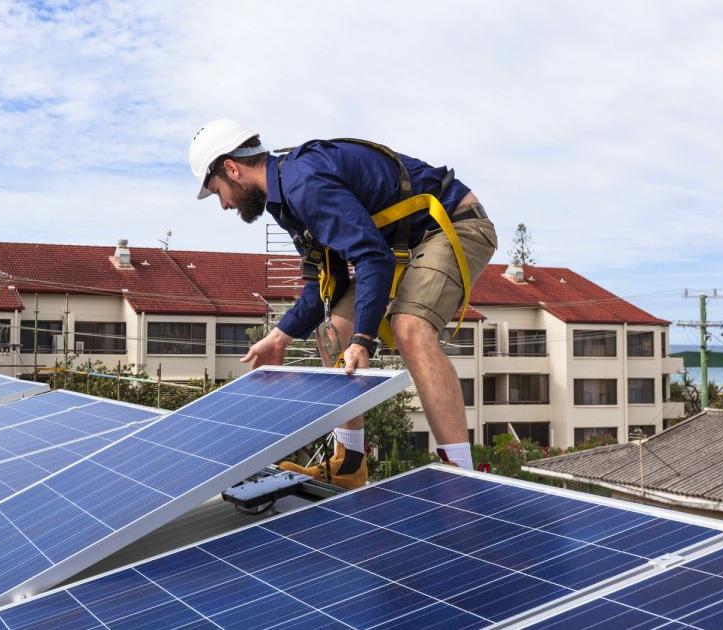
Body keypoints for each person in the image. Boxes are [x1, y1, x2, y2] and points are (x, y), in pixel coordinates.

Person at [189, 119, 497, 488]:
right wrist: (279, 337)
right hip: (399, 245)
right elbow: (327, 284)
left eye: (218, 190)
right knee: (334, 331)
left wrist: (363, 340)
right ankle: (349, 464)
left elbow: (372, 258)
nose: (223, 204)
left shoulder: (303, 183)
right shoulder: (285, 198)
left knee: (409, 327)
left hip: (453, 223)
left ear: (232, 168)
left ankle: (461, 477)